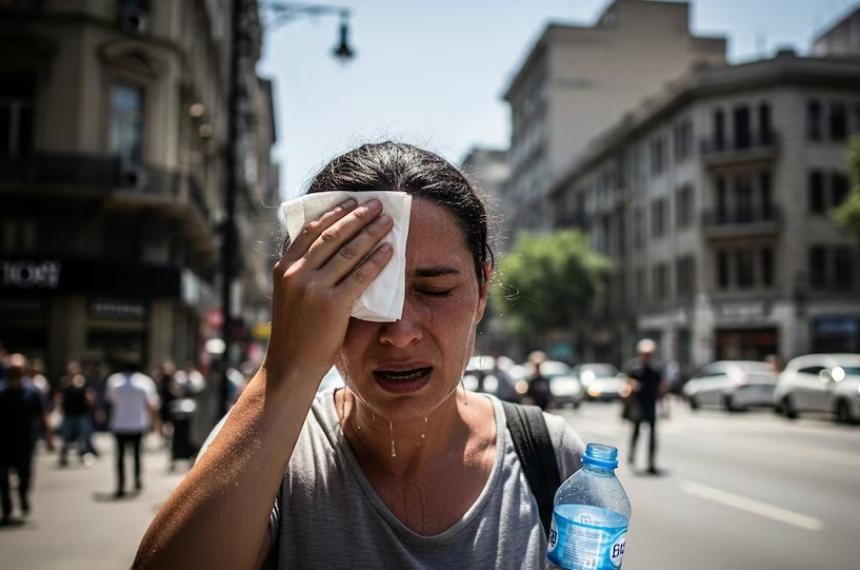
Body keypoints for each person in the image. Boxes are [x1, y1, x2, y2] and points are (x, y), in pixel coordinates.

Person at [135, 142, 585, 568]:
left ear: (482, 289)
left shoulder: (551, 457)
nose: (400, 334)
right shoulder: (271, 455)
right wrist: (288, 365)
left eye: (435, 290)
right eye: (364, 296)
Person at [0, 354, 54, 524]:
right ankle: (7, 507)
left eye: (18, 370)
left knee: (25, 474)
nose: (15, 374)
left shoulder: (32, 392)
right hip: (3, 442)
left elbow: (43, 414)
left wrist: (48, 436)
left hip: (26, 442)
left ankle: (23, 496)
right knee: (2, 477)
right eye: (12, 371)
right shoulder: (2, 392)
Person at [105, 362, 160, 497]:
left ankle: (121, 485)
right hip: (138, 423)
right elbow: (152, 404)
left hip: (120, 423)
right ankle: (137, 481)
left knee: (120, 457)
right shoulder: (145, 382)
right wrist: (156, 422)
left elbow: (110, 400)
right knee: (137, 454)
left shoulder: (114, 381)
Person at [625, 338, 666, 475]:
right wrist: (631, 390)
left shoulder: (657, 369)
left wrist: (665, 406)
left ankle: (651, 463)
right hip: (638, 405)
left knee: (653, 435)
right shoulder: (634, 368)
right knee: (636, 432)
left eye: (649, 354)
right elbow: (627, 385)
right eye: (645, 354)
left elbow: (661, 389)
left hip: (651, 405)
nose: (647, 356)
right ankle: (632, 455)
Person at [56, 363, 99, 466]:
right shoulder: (64, 383)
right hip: (68, 414)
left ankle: (85, 454)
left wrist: (94, 410)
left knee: (84, 436)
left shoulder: (83, 382)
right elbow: (59, 397)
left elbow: (90, 397)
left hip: (82, 414)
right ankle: (63, 457)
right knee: (65, 436)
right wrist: (58, 409)